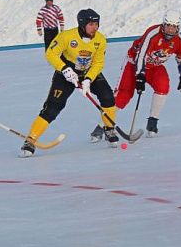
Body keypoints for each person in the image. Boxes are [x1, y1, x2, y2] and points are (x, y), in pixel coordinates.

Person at [21, 9, 117, 158]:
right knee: (53, 107)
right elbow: (51, 53)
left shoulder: (100, 40)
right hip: (66, 73)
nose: (95, 28)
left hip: (88, 71)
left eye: (97, 24)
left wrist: (88, 79)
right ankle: (30, 140)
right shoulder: (66, 36)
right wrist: (64, 69)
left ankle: (109, 128)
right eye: (91, 24)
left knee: (107, 96)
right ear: (82, 24)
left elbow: (98, 62)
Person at [91, 12, 181, 140]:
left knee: (163, 86)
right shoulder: (152, 34)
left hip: (155, 67)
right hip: (133, 64)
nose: (171, 30)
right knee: (123, 95)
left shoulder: (179, 41)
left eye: (174, 27)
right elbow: (141, 55)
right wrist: (140, 75)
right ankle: (101, 126)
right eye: (168, 26)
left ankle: (153, 121)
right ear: (163, 25)